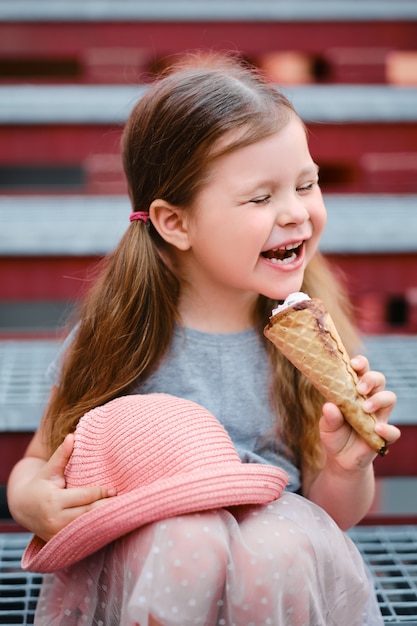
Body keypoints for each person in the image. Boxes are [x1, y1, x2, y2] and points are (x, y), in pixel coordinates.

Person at [7, 52, 400, 625]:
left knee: (277, 545)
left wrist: (346, 468)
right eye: (261, 197)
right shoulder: (119, 338)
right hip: (159, 572)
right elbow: (37, 462)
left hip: (275, 577)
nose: (295, 212)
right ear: (176, 222)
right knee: (189, 536)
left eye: (306, 184)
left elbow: (334, 516)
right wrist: (32, 502)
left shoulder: (313, 339)